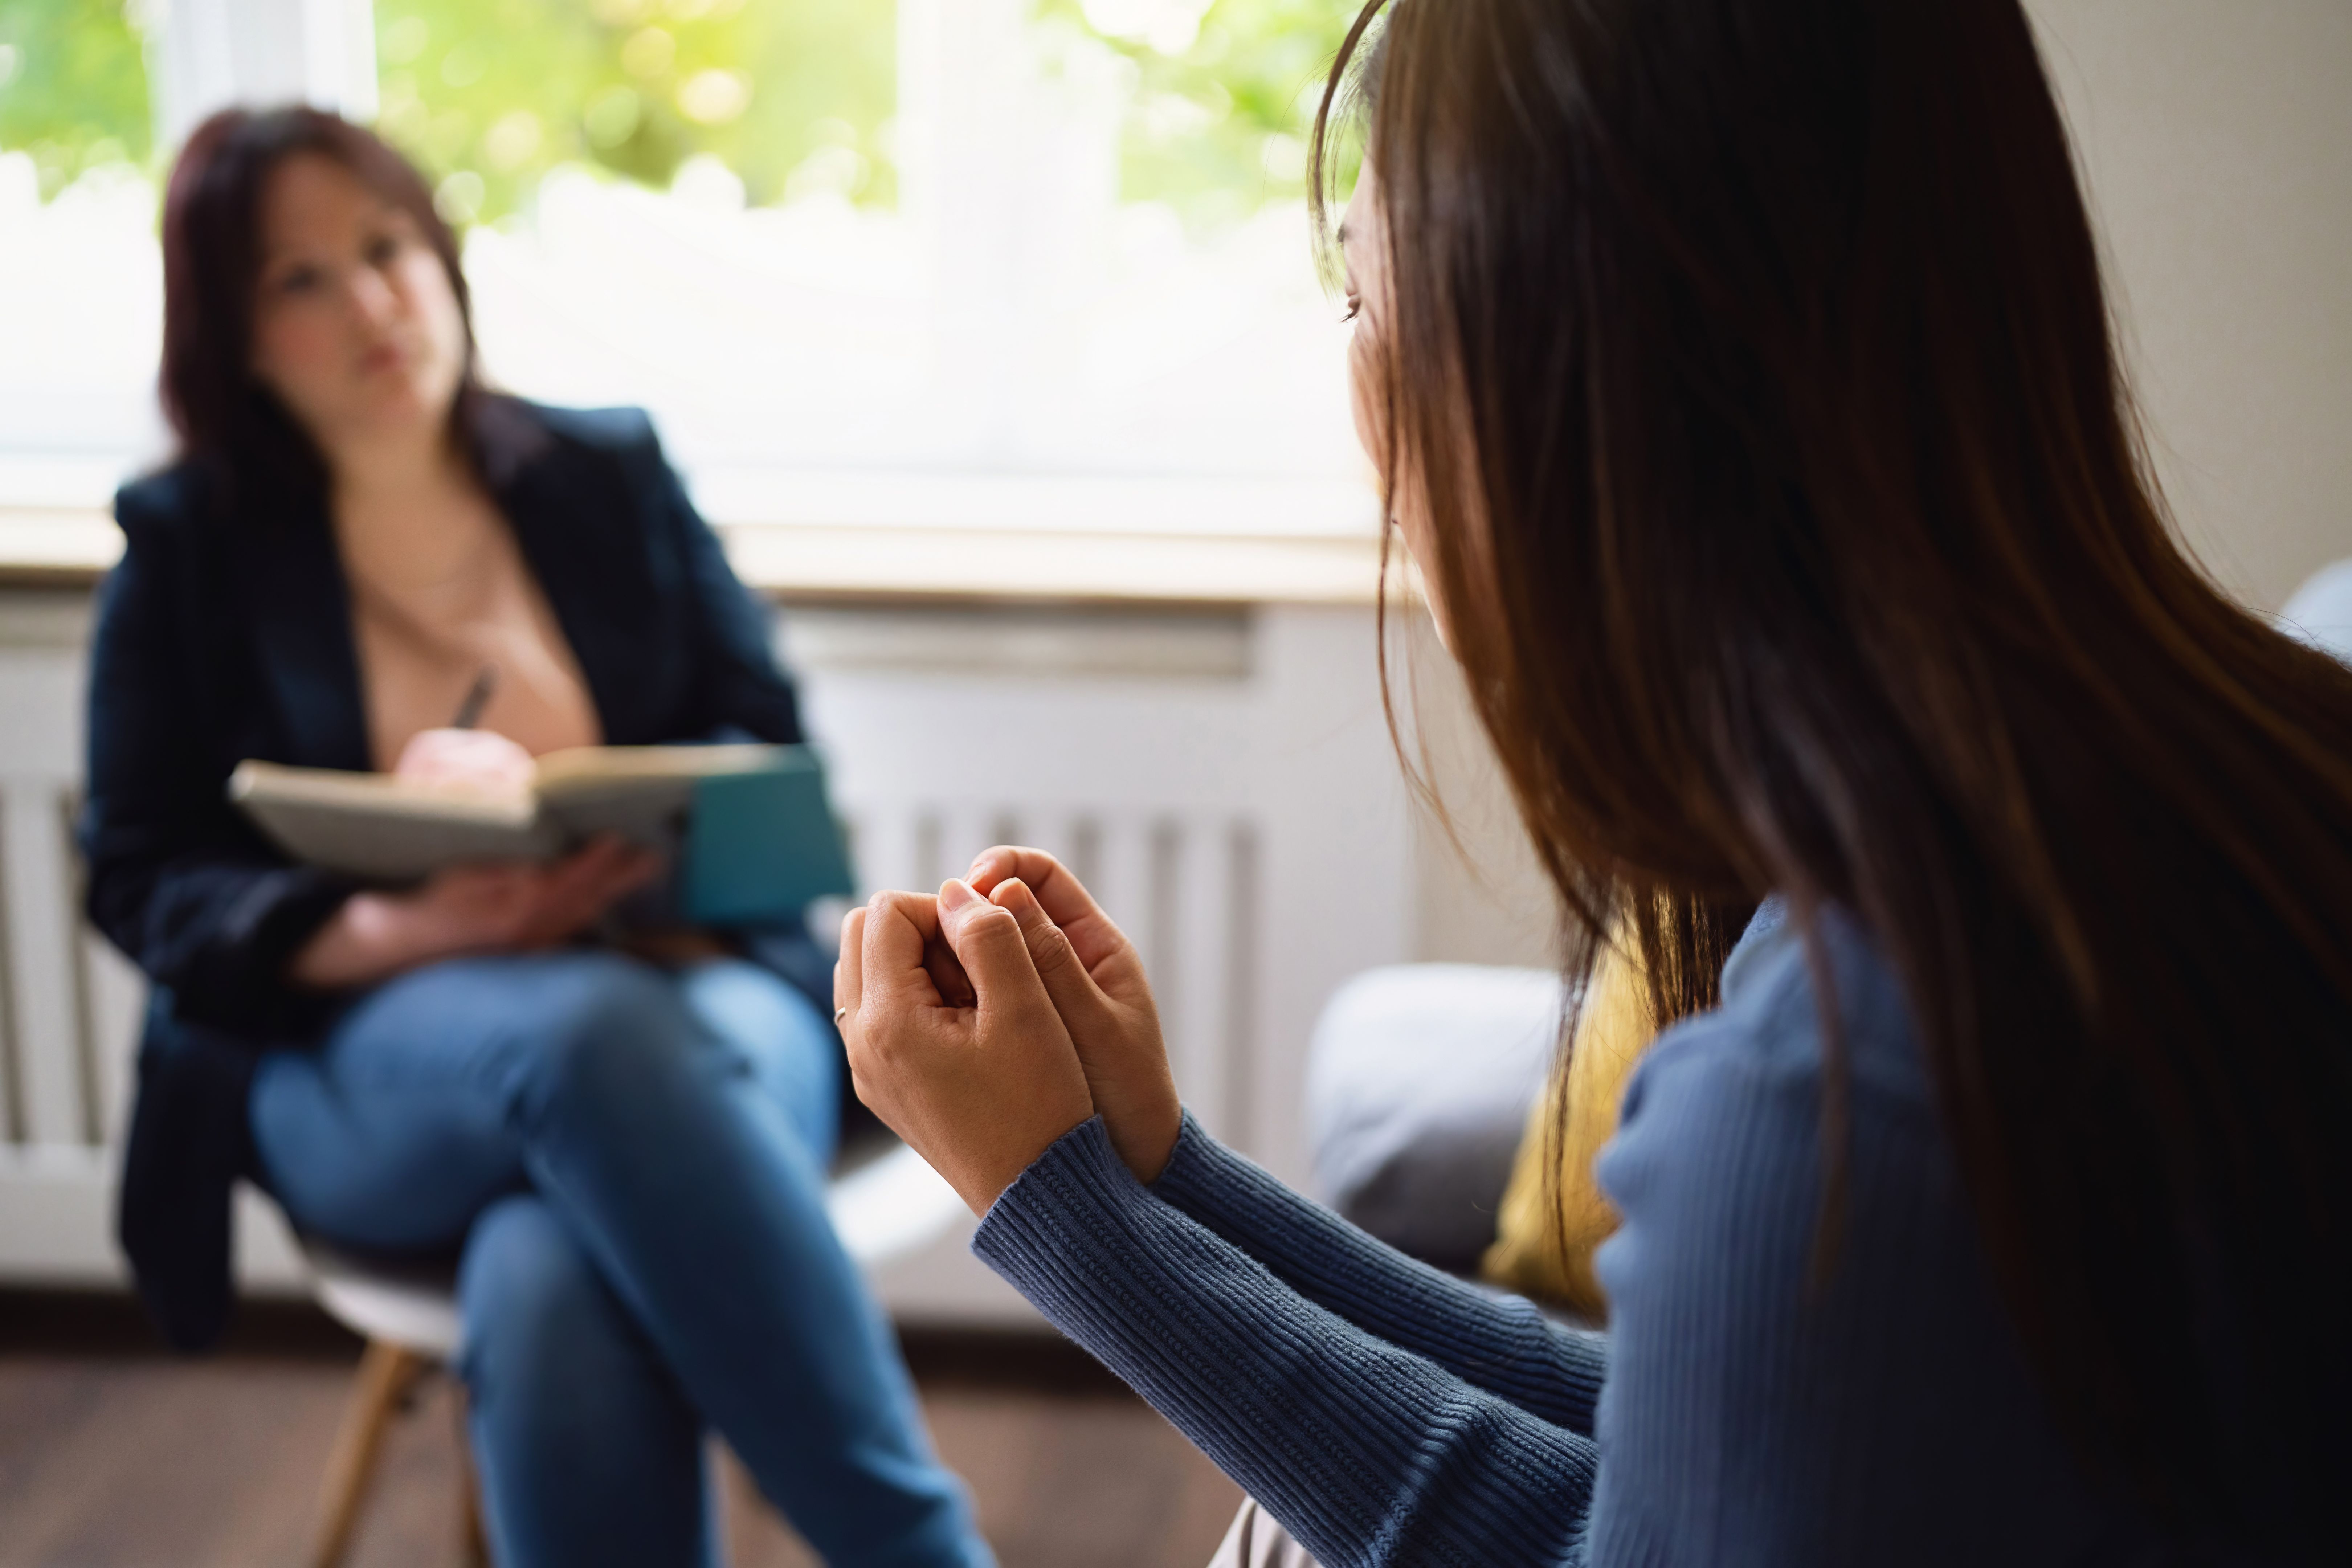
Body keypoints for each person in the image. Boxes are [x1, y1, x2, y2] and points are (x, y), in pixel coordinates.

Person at [834, 1, 2352, 1564]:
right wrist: (1167, 1183)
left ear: (1559, 376)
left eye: (1359, 301)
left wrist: (1065, 1217)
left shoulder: (1846, 1085)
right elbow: (1674, 1448)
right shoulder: (2222, 772)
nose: (1359, 392)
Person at [82, 106, 992, 1568]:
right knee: (585, 1045)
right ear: (233, 338)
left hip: (703, 981)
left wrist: (580, 793)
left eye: (386, 249)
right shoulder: (187, 549)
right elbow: (138, 872)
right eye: (298, 279)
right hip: (361, 1057)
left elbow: (770, 751)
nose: (372, 301)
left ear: (442, 261)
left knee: (556, 1255)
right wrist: (424, 922)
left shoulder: (605, 476)